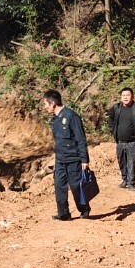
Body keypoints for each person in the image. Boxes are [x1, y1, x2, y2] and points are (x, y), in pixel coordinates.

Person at [42, 90, 91, 221]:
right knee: (59, 185)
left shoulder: (71, 116)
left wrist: (84, 159)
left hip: (74, 158)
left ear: (53, 103)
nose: (45, 107)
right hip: (60, 159)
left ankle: (84, 209)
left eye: (46, 104)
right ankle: (63, 214)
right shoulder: (54, 119)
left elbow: (81, 139)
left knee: (75, 186)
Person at [107, 87, 135, 191]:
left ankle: (131, 183)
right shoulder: (116, 108)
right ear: (121, 97)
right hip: (119, 141)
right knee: (122, 162)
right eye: (123, 95)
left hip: (132, 142)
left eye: (128, 95)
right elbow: (110, 118)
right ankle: (125, 180)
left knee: (131, 162)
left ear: (132, 97)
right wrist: (112, 130)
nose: (125, 97)